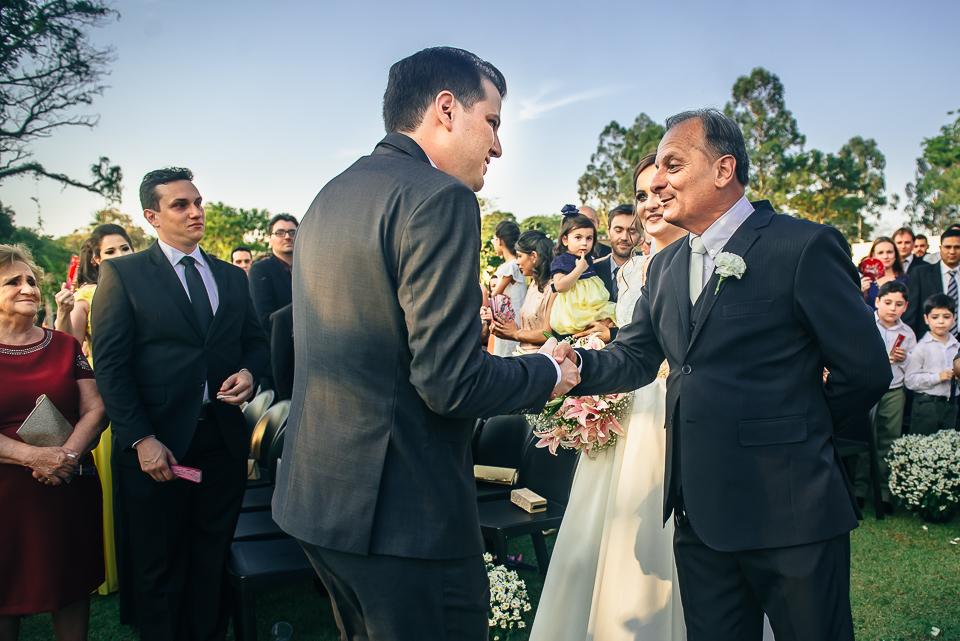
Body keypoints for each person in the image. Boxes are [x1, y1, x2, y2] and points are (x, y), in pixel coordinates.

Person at [271, 46, 576, 641]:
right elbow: (449, 382)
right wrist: (546, 371)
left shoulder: (330, 195)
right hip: (403, 513)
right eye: (492, 121)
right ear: (446, 109)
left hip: (318, 498)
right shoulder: (440, 198)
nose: (497, 146)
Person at [554, 109, 890, 641]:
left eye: (672, 165)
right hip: (699, 515)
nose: (656, 182)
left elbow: (864, 369)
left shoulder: (801, 246)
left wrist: (799, 431)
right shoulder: (665, 266)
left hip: (790, 508)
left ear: (723, 169)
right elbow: (637, 355)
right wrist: (575, 367)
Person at [91, 167, 270, 641]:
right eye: (180, 205)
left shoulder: (231, 277)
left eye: (198, 202)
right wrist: (141, 439)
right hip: (159, 446)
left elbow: (255, 343)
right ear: (152, 216)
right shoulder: (123, 274)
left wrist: (249, 373)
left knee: (212, 553)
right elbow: (111, 367)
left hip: (221, 443)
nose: (196, 212)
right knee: (160, 561)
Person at [530, 152, 687, 641]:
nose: (650, 202)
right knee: (604, 524)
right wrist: (583, 368)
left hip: (680, 406)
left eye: (661, 190)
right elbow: (632, 346)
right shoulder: (631, 271)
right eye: (641, 194)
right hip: (633, 400)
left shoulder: (705, 260)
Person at [0, 244, 108, 640]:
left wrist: (67, 456)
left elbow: (96, 408)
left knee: (71, 582)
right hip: (6, 496)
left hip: (68, 486)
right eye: (13, 281)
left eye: (31, 280)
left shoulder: (65, 345)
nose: (28, 288)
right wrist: (33, 457)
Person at [855, 281, 916, 515]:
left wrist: (905, 357)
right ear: (877, 301)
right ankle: (859, 491)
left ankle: (884, 493)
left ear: (905, 307)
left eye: (898, 304)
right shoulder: (865, 324)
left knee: (888, 441)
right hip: (868, 389)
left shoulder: (907, 333)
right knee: (863, 439)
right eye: (888, 302)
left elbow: (914, 366)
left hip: (894, 391)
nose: (892, 308)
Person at [549, 207, 617, 337]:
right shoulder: (562, 260)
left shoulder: (586, 257)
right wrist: (579, 269)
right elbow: (559, 286)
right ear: (565, 240)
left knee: (614, 312)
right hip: (576, 309)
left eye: (589, 238)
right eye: (578, 238)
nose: (584, 243)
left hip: (593, 304)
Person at [487, 230, 556, 353]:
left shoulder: (553, 288)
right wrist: (505, 330)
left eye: (519, 256)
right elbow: (525, 332)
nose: (517, 262)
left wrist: (516, 333)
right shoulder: (533, 285)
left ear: (534, 256)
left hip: (540, 358)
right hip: (523, 355)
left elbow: (547, 334)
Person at [904, 293, 959, 435]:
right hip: (926, 404)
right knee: (923, 443)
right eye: (935, 317)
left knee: (949, 443)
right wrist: (937, 377)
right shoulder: (921, 347)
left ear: (954, 318)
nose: (941, 321)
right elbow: (910, 381)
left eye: (946, 317)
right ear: (926, 319)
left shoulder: (957, 346)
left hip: (951, 404)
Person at [904, 227, 960, 338]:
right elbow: (911, 313)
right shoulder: (921, 274)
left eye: (957, 247)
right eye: (948, 247)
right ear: (940, 248)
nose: (952, 251)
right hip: (928, 340)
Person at [249, 214, 297, 334]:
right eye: (280, 233)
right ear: (270, 239)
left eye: (292, 232)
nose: (287, 237)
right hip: (278, 340)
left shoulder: (309, 269)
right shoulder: (260, 270)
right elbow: (264, 318)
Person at [490, 220, 526, 356]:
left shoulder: (511, 266)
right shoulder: (515, 264)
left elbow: (495, 294)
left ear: (500, 241)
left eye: (494, 240)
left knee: (507, 353)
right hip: (510, 318)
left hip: (510, 320)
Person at [861, 236, 907, 310]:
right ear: (873, 255)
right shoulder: (864, 281)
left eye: (889, 252)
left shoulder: (906, 280)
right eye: (880, 253)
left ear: (895, 254)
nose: (885, 256)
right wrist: (860, 293)